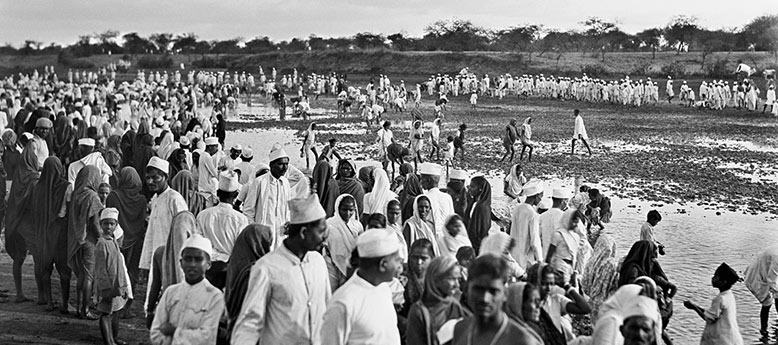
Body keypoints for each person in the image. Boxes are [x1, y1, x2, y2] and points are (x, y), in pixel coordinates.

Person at [231, 195, 331, 344]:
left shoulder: (318, 262)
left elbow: (327, 310)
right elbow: (250, 323)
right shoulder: (266, 268)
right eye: (321, 231)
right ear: (304, 232)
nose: (325, 238)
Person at [320, 229, 404, 345]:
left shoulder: (384, 288)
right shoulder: (343, 303)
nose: (401, 268)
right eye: (397, 261)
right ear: (383, 264)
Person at [451, 254, 543, 345]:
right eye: (478, 289)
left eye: (493, 291)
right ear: (467, 291)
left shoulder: (522, 340)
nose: (485, 299)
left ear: (505, 294)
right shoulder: (460, 329)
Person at [150, 235, 225, 345]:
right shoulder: (171, 292)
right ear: (181, 263)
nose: (192, 265)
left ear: (208, 264)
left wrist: (174, 331)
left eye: (198, 260)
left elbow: (206, 337)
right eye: (188, 259)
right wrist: (188, 337)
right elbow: (155, 333)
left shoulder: (215, 297)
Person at [105, 167, 148, 316]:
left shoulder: (113, 196)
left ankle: (114, 305)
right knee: (132, 273)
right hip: (136, 240)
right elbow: (143, 221)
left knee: (116, 272)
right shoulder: (142, 200)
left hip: (117, 240)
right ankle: (127, 308)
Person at [30, 156, 71, 311]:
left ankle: (49, 302)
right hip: (60, 231)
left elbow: (34, 210)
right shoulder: (66, 187)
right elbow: (69, 210)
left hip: (42, 231)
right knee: (64, 270)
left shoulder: (37, 187)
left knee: (45, 268)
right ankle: (65, 304)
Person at [196, 171, 248, 289]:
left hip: (207, 267)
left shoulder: (203, 215)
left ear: (218, 193)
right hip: (228, 269)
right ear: (236, 195)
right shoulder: (241, 219)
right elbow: (240, 249)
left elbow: (198, 241)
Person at [139, 157, 188, 277]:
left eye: (155, 178)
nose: (150, 181)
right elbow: (151, 234)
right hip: (157, 257)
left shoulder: (174, 199)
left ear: (166, 177)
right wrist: (146, 263)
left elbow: (184, 231)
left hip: (173, 257)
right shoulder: (155, 199)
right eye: (148, 178)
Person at [406, 256, 470, 345]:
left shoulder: (454, 306)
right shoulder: (419, 312)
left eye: (458, 279)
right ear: (436, 279)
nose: (457, 284)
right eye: (452, 279)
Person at [68, 166, 104, 319]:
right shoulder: (93, 197)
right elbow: (95, 224)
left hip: (77, 240)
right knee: (89, 277)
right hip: (89, 240)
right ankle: (86, 309)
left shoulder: (77, 194)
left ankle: (78, 307)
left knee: (81, 276)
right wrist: (102, 238)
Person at [242, 143, 290, 249]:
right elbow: (248, 210)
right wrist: (254, 231)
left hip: (280, 234)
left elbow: (287, 209)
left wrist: (288, 223)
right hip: (263, 234)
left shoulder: (285, 183)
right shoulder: (259, 182)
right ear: (272, 165)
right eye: (281, 164)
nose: (284, 167)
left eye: (286, 164)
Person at [94, 208, 130, 345]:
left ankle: (114, 338)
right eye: (105, 224)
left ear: (116, 225)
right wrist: (105, 289)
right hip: (107, 287)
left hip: (117, 284)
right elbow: (100, 270)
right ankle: (108, 342)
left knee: (116, 311)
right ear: (101, 225)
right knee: (105, 314)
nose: (108, 227)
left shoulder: (113, 241)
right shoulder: (101, 244)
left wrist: (124, 286)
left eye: (112, 224)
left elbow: (119, 266)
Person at [529, 263, 591, 343]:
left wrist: (566, 285)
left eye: (551, 284)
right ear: (534, 282)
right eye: (544, 284)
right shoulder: (526, 303)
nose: (549, 288)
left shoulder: (556, 300)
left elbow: (585, 308)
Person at [683, 263, 743, 345]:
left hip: (722, 340)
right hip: (731, 338)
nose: (713, 278)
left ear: (723, 282)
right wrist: (695, 306)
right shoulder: (729, 295)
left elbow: (709, 317)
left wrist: (694, 307)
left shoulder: (720, 299)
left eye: (716, 277)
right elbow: (711, 313)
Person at [325, 194, 364, 291]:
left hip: (351, 267)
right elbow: (324, 245)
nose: (347, 213)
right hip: (331, 266)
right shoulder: (329, 225)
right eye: (344, 210)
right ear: (338, 208)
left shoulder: (357, 226)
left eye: (351, 210)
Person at [581, 234, 619, 322]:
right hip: (606, 304)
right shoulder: (611, 264)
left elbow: (584, 283)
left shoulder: (591, 261)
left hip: (592, 301)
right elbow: (615, 284)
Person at [510, 179, 544, 270]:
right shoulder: (532, 214)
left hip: (513, 253)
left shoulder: (517, 208)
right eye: (541, 196)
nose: (541, 199)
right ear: (536, 196)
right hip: (525, 257)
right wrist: (540, 260)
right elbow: (534, 241)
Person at [744, 245, 778, 336]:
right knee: (767, 303)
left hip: (767, 270)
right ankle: (764, 331)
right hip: (759, 274)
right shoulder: (777, 257)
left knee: (774, 297)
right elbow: (772, 280)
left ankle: (770, 332)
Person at [546, 209, 585, 283]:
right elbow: (549, 256)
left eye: (577, 222)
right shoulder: (558, 235)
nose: (576, 225)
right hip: (559, 267)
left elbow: (576, 256)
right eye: (574, 222)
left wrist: (575, 272)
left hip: (571, 268)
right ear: (567, 220)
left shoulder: (576, 236)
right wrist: (550, 271)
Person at [419, 162, 455, 239]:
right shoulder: (447, 197)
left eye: (422, 179)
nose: (421, 182)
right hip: (446, 239)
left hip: (429, 237)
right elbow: (452, 220)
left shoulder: (423, 198)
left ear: (428, 180)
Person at [405, 239, 435, 314]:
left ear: (432, 258)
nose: (419, 262)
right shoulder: (401, 280)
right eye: (415, 257)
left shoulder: (437, 280)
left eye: (424, 258)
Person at [465, 175, 492, 253]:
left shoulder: (482, 207)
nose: (469, 188)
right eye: (469, 186)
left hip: (478, 245)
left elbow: (483, 230)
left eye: (472, 186)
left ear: (480, 189)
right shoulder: (474, 203)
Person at [539, 188, 569, 254]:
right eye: (567, 201)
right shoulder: (565, 217)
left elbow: (538, 238)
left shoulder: (541, 217)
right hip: (561, 258)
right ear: (562, 201)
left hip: (545, 256)